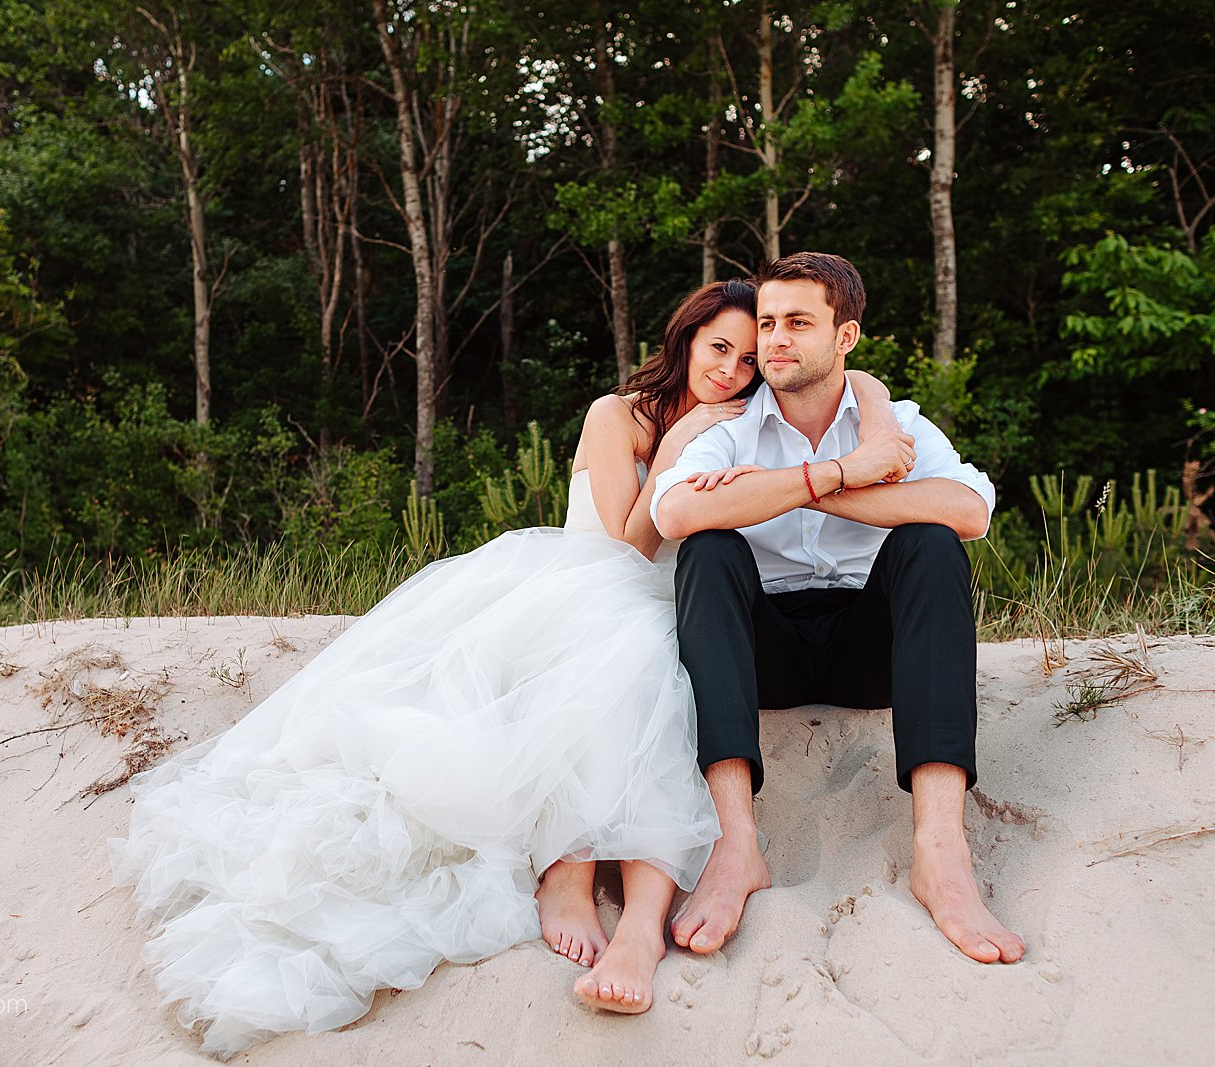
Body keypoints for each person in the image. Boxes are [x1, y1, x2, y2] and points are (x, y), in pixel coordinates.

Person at [109, 280, 901, 1056]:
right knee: (624, 663)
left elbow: (849, 388)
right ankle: (570, 873)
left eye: (745, 355)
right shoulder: (620, 415)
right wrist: (676, 444)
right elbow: (628, 543)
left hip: (678, 596)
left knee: (662, 670)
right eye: (716, 347)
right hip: (594, 580)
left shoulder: (747, 417)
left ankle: (639, 924)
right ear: (686, 340)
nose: (729, 369)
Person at [651, 252, 1026, 967]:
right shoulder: (732, 426)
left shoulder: (897, 424)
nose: (775, 340)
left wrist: (794, 486)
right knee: (709, 547)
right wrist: (838, 472)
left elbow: (969, 509)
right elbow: (672, 511)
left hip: (868, 644)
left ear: (845, 337)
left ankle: (940, 849)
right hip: (767, 651)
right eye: (766, 323)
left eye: (798, 322)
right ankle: (736, 844)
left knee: (930, 543)